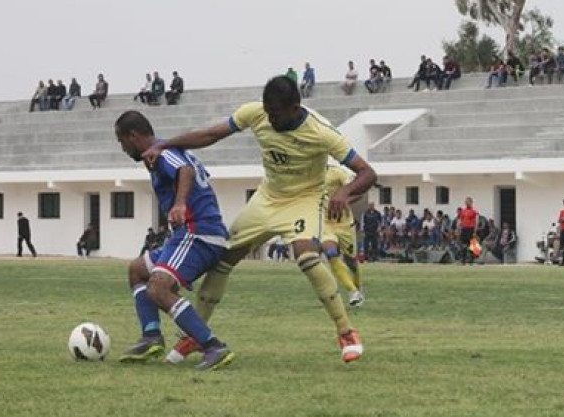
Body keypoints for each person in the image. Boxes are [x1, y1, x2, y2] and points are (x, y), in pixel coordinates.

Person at [143, 76, 377, 364]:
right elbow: (210, 135)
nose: (269, 118)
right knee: (224, 260)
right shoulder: (257, 112)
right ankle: (194, 336)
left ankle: (346, 331)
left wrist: (345, 191)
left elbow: (367, 173)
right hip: (267, 197)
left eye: (275, 114)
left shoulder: (320, 132)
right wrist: (165, 144)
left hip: (304, 199)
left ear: (294, 108)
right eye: (267, 111)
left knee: (305, 255)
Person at [114, 110, 235, 370]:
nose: (122, 148)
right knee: (137, 270)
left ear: (133, 136)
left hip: (198, 233)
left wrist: (180, 204)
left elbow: (186, 171)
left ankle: (213, 346)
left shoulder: (163, 153)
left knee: (157, 287)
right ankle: (151, 336)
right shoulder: (162, 152)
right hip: (188, 235)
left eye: (121, 141)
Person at [321, 165, 366, 307]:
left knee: (351, 262)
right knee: (331, 253)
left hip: (345, 224)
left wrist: (345, 201)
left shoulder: (337, 172)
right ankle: (352, 291)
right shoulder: (309, 176)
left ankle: (358, 290)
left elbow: (359, 191)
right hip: (326, 224)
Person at [458, 197, 478, 265]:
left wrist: (475, 231)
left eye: (468, 202)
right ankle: (463, 260)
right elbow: (461, 220)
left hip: (471, 229)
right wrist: (459, 229)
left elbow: (476, 221)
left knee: (472, 245)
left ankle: (472, 260)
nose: (466, 203)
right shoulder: (463, 211)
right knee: (463, 245)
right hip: (464, 229)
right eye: (465, 202)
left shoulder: (474, 211)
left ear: (471, 202)